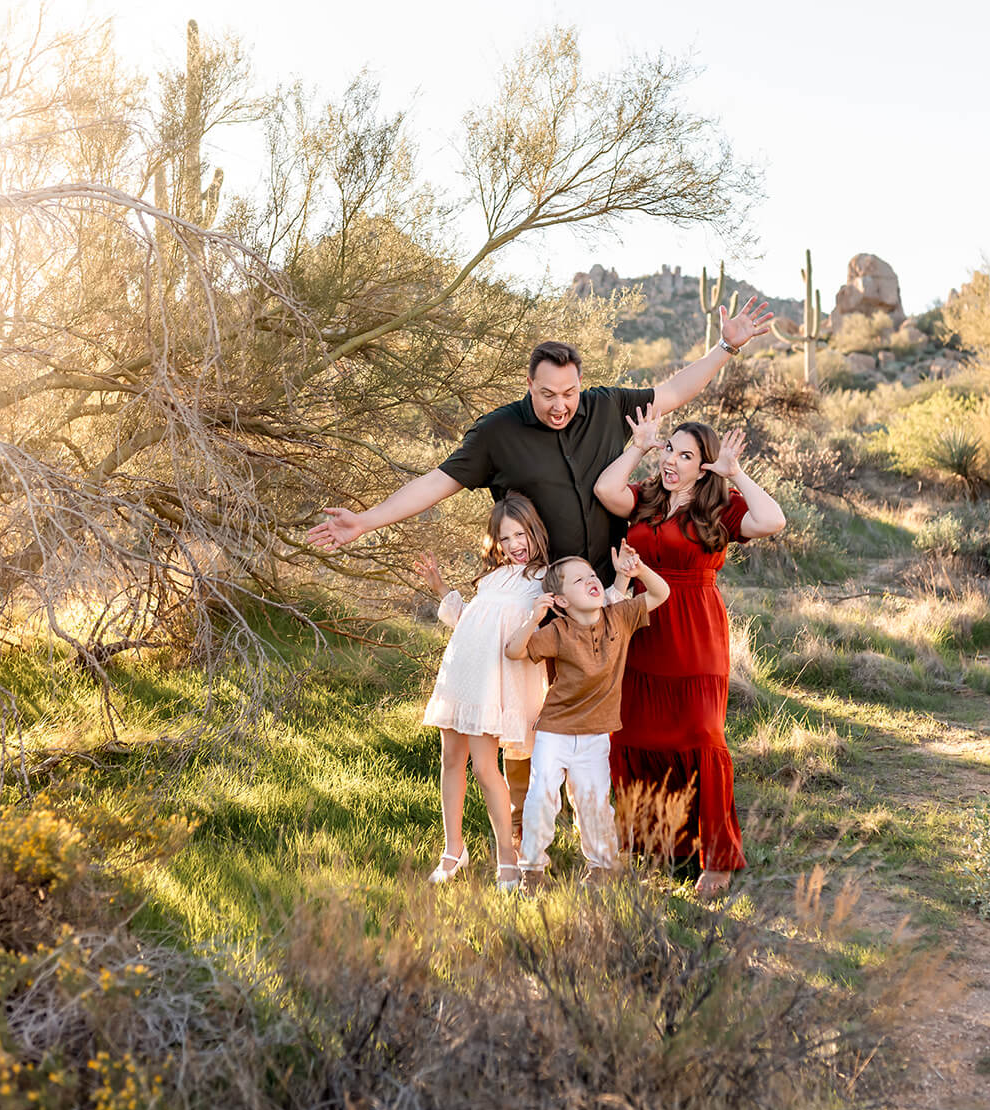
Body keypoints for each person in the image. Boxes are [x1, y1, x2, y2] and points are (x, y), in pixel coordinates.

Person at [308, 306, 773, 823]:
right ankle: (526, 830)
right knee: (530, 716)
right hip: (543, 596)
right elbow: (436, 483)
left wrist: (725, 348)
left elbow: (673, 392)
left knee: (604, 715)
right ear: (529, 384)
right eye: (548, 394)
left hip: (605, 594)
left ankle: (606, 824)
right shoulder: (498, 434)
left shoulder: (604, 408)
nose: (560, 405)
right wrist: (366, 521)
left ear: (581, 384)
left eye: (570, 393)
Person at [594, 406, 785, 897]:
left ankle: (717, 860)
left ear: (705, 465)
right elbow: (605, 491)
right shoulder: (647, 499)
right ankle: (651, 843)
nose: (672, 462)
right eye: (670, 451)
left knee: (702, 737)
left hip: (695, 630)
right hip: (641, 627)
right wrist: (640, 445)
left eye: (686, 455)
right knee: (633, 736)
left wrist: (736, 472)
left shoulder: (720, 507)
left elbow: (773, 520)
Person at [504, 550, 669, 885]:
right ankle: (532, 871)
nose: (591, 580)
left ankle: (602, 868)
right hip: (555, 731)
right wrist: (534, 619)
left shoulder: (619, 616)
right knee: (541, 796)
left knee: (594, 802)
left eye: (592, 575)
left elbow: (660, 593)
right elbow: (513, 650)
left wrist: (639, 569)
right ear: (561, 601)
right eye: (578, 580)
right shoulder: (559, 631)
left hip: (595, 734)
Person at [414, 494, 552, 890]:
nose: (514, 544)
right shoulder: (492, 578)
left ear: (535, 531)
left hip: (495, 683)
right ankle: (453, 849)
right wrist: (439, 585)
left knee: (484, 768)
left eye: (520, 534)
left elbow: (532, 635)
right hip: (462, 673)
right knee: (451, 760)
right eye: (505, 538)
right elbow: (469, 623)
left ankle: (507, 858)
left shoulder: (543, 578)